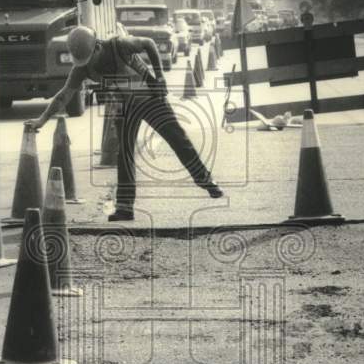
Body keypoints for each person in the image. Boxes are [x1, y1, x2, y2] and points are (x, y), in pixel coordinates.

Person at [26, 26, 223, 221]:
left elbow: (149, 44)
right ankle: (125, 208)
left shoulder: (119, 45)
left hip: (150, 98)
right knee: (124, 154)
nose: (87, 63)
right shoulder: (82, 68)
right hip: (124, 106)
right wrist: (42, 119)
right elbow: (64, 95)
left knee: (178, 139)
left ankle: (205, 180)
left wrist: (160, 76)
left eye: (89, 58)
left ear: (97, 46)